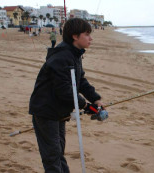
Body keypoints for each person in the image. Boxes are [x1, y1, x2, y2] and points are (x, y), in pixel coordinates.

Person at [29, 18, 105, 173]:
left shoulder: (75, 54)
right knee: (52, 155)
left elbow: (80, 80)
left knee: (58, 151)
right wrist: (85, 105)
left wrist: (95, 99)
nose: (91, 38)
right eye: (87, 34)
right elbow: (63, 89)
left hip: (59, 111)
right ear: (75, 37)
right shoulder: (62, 56)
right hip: (46, 110)